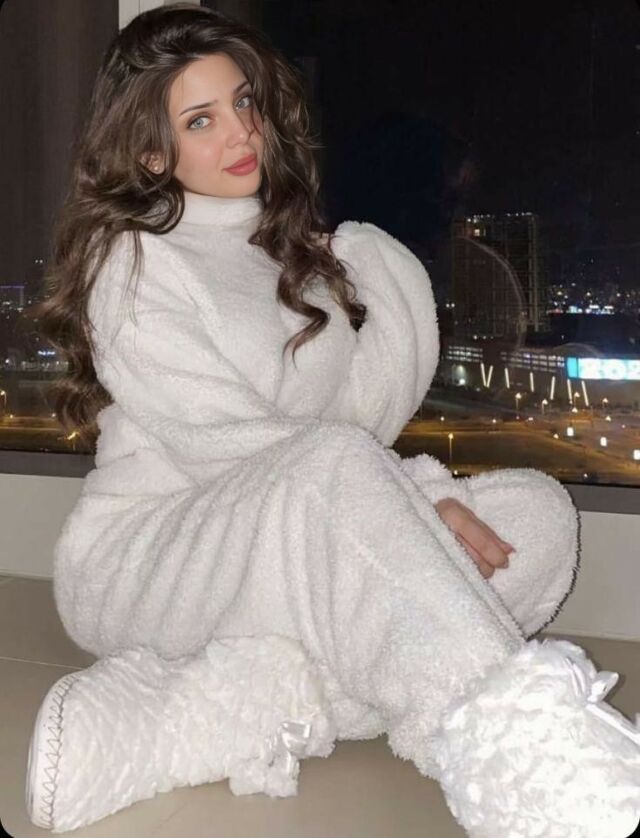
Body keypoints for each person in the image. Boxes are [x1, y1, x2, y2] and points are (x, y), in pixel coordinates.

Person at [24, 3, 640, 835]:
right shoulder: (133, 259)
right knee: (343, 476)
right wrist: (419, 497)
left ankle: (252, 705)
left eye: (244, 102)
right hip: (157, 558)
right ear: (150, 152)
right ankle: (524, 758)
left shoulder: (294, 260)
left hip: (294, 547)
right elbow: (229, 446)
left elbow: (358, 424)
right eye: (201, 120)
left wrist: (378, 267)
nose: (241, 131)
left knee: (537, 518)